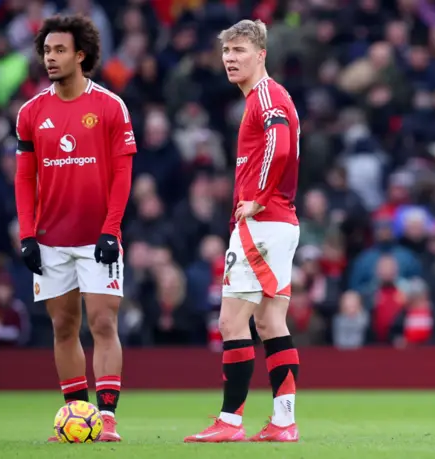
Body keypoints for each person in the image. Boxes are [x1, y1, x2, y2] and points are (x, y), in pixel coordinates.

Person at [14, 14, 136, 442]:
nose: (51, 57)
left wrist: (111, 229)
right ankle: (72, 414)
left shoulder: (109, 106)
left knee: (103, 323)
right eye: (47, 50)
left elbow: (123, 174)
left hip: (97, 237)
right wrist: (27, 233)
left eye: (59, 50)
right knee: (63, 326)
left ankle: (106, 419)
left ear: (80, 55)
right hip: (50, 239)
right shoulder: (31, 113)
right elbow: (24, 178)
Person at [184, 19, 301, 443]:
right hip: (280, 223)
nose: (230, 59)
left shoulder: (266, 95)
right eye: (226, 52)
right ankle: (284, 421)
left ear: (261, 54)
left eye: (239, 51)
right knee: (271, 322)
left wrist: (259, 197)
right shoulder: (267, 96)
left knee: (232, 320)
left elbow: (281, 145)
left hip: (262, 223)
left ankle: (229, 422)